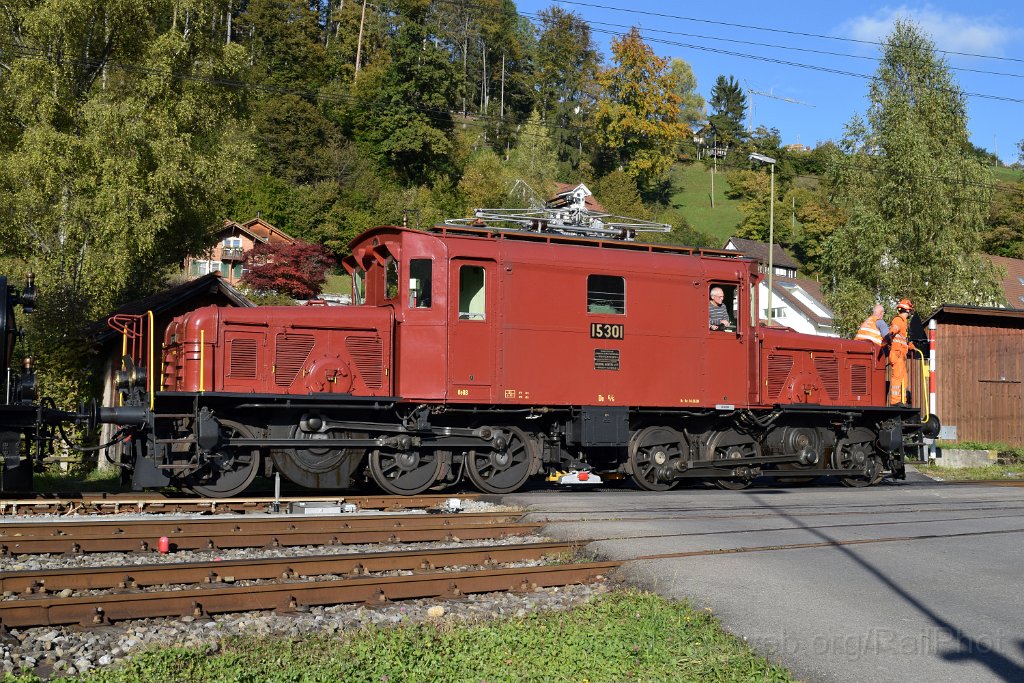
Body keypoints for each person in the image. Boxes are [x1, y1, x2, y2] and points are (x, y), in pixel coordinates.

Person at [887, 298, 916, 406]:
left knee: (904, 378)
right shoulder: (898, 320)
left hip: (901, 355)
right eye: (910, 311)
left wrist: (911, 346)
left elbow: (903, 339)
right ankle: (895, 401)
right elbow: (893, 329)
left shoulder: (904, 323)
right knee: (897, 377)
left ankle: (902, 400)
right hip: (897, 353)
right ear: (907, 310)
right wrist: (892, 331)